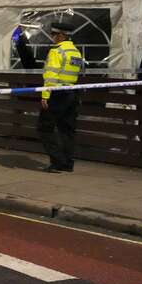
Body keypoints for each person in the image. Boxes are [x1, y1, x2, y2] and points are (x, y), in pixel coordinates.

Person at [14, 22, 83, 172]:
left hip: (56, 94)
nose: (52, 37)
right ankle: (68, 163)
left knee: (44, 128)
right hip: (72, 93)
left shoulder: (57, 52)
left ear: (61, 35)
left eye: (54, 34)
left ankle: (57, 161)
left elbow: (51, 76)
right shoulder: (76, 52)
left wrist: (45, 96)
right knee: (67, 130)